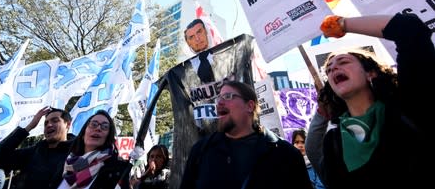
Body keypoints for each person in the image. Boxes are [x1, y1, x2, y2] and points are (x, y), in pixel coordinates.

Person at [307, 13, 434, 189]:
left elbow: (410, 28)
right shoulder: (333, 142)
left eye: (343, 62)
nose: (333, 67)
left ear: (370, 73)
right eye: (328, 70)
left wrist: (342, 24)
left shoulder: (407, 106)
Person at [179, 80, 313, 189]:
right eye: (218, 98)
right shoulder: (201, 150)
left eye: (227, 96)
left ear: (250, 106)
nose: (219, 103)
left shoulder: (286, 154)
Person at [0, 107, 74, 189]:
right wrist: (28, 127)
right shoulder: (35, 151)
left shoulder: (77, 153)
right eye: (46, 123)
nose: (49, 125)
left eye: (55, 121)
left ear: (68, 124)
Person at [49, 109, 132, 189]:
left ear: (108, 137)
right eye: (94, 124)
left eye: (105, 126)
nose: (98, 128)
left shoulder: (117, 170)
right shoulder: (64, 164)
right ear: (83, 134)